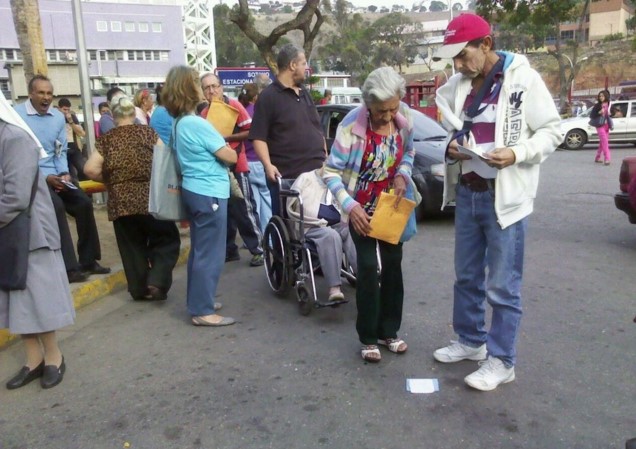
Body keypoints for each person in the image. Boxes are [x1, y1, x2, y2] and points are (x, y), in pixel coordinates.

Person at [431, 14, 561, 391]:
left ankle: (502, 360)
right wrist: (451, 148)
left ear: (485, 44)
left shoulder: (523, 79)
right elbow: (452, 130)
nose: (457, 64)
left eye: (462, 54)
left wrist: (518, 152)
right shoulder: (460, 85)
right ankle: (471, 341)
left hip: (506, 199)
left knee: (503, 285)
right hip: (469, 192)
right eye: (452, 57)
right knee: (467, 277)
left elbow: (552, 130)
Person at [323, 66, 415, 363]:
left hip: (391, 205)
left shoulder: (404, 120)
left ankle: (390, 331)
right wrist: (350, 206)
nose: (387, 116)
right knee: (365, 267)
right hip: (360, 207)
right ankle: (367, 337)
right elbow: (330, 171)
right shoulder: (351, 127)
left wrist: (402, 174)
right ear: (367, 104)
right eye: (380, 111)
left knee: (393, 265)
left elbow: (410, 153)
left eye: (392, 109)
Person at [1, 91, 75, 390]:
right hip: (11, 231)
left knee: (38, 297)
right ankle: (33, 360)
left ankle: (54, 357)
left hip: (31, 232)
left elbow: (16, 197)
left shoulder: (15, 138)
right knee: (17, 299)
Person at [84, 96, 181, 301]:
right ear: (133, 114)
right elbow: (164, 160)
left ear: (113, 115)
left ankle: (139, 289)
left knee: (132, 247)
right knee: (166, 239)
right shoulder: (147, 133)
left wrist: (113, 179)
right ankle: (157, 280)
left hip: (121, 202)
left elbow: (90, 169)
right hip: (151, 199)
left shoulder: (106, 140)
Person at [162, 65, 238, 327]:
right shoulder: (197, 123)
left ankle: (198, 300)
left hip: (195, 190)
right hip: (209, 191)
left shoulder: (180, 122)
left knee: (200, 250)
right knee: (210, 253)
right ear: (189, 87)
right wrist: (226, 146)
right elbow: (230, 156)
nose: (203, 87)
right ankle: (203, 310)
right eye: (197, 82)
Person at [15, 75, 110, 283]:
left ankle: (89, 260)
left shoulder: (58, 117)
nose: (46, 97)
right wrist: (45, 177)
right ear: (31, 93)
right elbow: (16, 156)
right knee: (56, 207)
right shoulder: (17, 116)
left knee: (84, 203)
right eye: (41, 93)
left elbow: (60, 151)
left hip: (56, 174)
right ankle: (69, 267)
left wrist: (63, 173)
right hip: (31, 176)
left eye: (49, 93)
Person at [248, 43, 327, 215]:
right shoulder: (268, 97)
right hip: (289, 177)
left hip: (316, 175)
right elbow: (258, 137)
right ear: (292, 65)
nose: (306, 68)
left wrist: (325, 157)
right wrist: (268, 165)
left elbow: (317, 129)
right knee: (290, 229)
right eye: (304, 63)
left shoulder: (304, 93)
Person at [199, 73, 264, 267]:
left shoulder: (234, 106)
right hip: (217, 168)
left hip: (238, 165)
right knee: (222, 210)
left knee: (244, 208)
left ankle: (258, 249)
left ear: (221, 87)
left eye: (214, 86)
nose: (211, 91)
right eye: (207, 88)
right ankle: (229, 250)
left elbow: (251, 131)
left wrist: (225, 138)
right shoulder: (203, 114)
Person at [287, 166, 357, 302]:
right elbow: (292, 205)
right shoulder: (306, 177)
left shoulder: (339, 181)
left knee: (352, 230)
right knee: (331, 235)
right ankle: (334, 288)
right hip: (311, 226)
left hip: (336, 223)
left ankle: (365, 277)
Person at [239, 82, 272, 233]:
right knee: (267, 201)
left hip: (246, 163)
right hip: (261, 162)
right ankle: (270, 238)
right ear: (256, 96)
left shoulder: (239, 112)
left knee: (254, 205)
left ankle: (257, 236)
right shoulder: (260, 112)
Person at [57, 98, 86, 182]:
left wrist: (71, 121)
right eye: (64, 109)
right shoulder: (55, 118)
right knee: (70, 174)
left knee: (83, 168)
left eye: (68, 110)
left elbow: (82, 133)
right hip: (62, 150)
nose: (66, 112)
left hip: (74, 148)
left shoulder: (72, 117)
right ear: (59, 108)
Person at [591, 90, 612, 165]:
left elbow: (610, 114)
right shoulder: (597, 105)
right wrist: (599, 112)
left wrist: (610, 113)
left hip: (606, 125)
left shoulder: (608, 103)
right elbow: (592, 115)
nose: (601, 97)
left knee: (602, 143)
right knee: (605, 142)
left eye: (602, 96)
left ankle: (597, 157)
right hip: (599, 125)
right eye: (600, 96)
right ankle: (607, 159)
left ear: (606, 96)